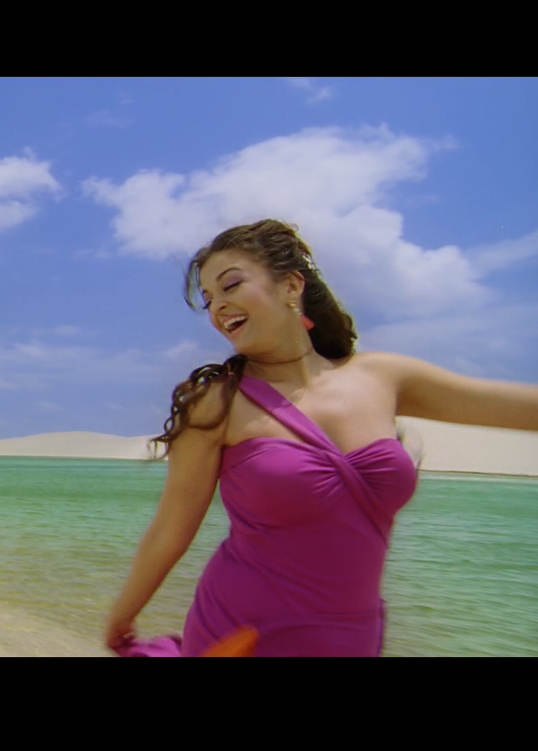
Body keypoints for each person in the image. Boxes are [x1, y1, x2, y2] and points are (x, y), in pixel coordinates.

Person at [104, 218, 538, 657]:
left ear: (291, 286)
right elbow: (171, 529)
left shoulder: (382, 376)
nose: (218, 307)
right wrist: (122, 616)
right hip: (242, 632)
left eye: (231, 285)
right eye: (209, 299)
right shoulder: (217, 402)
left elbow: (515, 407)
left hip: (350, 636)